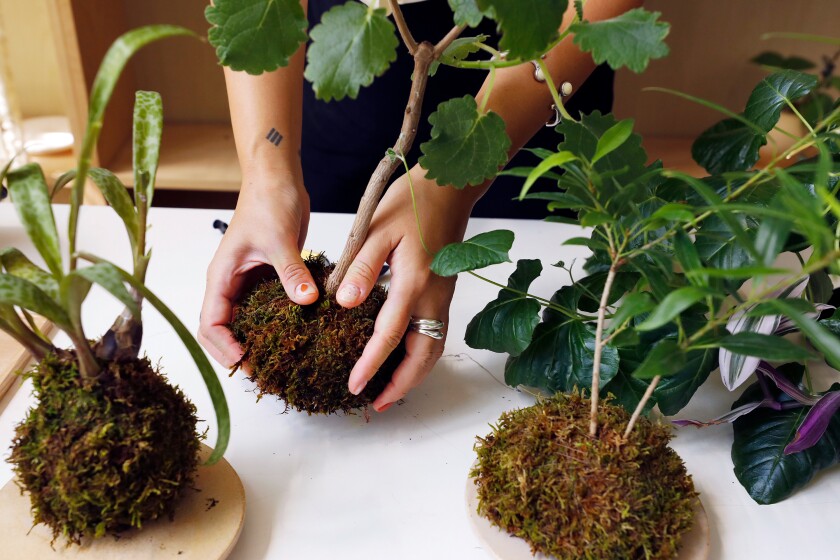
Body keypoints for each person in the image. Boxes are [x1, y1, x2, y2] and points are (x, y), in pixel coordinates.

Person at [198, 0, 641, 413]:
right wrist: (267, 177)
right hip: (350, 53)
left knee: (548, 265)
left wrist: (448, 189)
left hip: (535, 53)